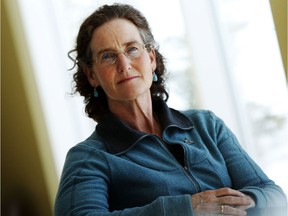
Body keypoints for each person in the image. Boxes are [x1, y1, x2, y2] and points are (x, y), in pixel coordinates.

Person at [54, 3, 287, 216]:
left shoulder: (207, 125)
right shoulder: (88, 158)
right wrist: (187, 208)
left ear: (151, 58)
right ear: (91, 75)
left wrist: (236, 203)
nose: (124, 65)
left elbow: (274, 195)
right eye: (108, 56)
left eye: (132, 49)